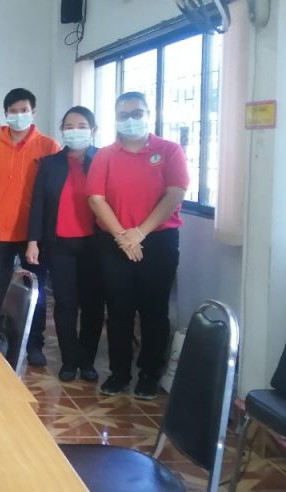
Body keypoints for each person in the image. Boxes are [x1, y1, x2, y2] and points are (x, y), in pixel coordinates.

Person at [86, 92, 188, 400]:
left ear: (149, 114)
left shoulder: (169, 150)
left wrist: (140, 233)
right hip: (114, 241)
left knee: (154, 310)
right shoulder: (105, 155)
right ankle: (119, 372)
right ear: (115, 119)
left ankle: (149, 374)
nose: (131, 119)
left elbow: (175, 193)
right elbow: (96, 199)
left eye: (137, 113)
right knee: (119, 309)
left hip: (158, 241)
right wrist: (122, 236)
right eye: (124, 114)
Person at [0, 88, 61, 368]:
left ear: (33, 112)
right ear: (6, 114)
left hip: (35, 235)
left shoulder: (49, 147)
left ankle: (34, 344)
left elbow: (55, 195)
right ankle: (2, 339)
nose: (18, 115)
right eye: (13, 111)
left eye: (24, 110)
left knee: (36, 291)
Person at [26, 107, 105, 383]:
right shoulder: (50, 164)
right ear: (62, 130)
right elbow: (38, 204)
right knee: (65, 304)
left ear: (93, 130)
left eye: (81, 125)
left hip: (96, 245)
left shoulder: (103, 160)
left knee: (93, 305)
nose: (75, 131)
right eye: (69, 126)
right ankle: (70, 361)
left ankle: (88, 361)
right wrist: (33, 241)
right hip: (59, 245)